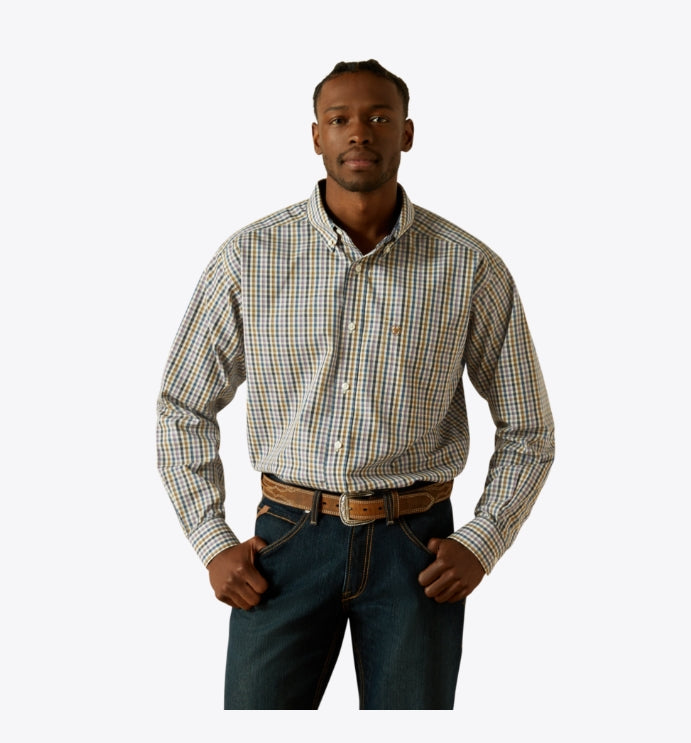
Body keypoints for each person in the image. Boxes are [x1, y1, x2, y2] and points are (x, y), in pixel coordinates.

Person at [156, 59, 555, 710]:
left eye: (378, 117)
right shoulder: (249, 258)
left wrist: (483, 540)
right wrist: (212, 542)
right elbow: (182, 406)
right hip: (284, 544)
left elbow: (529, 428)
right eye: (340, 119)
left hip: (418, 551)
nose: (359, 132)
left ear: (407, 133)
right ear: (317, 136)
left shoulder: (469, 267)